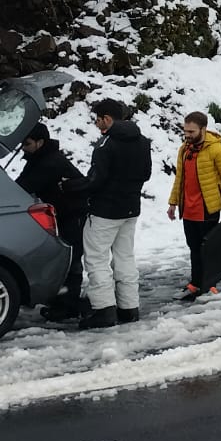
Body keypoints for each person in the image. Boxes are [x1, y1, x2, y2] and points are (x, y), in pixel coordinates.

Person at [67, 98, 152, 328]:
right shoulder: (143, 142)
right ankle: (129, 307)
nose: (96, 124)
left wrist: (70, 186)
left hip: (104, 211)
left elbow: (95, 181)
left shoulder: (106, 144)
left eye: (97, 119)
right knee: (125, 257)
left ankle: (104, 309)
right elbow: (146, 174)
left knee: (96, 259)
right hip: (131, 209)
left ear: (107, 118)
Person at [16, 123, 89, 321]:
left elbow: (23, 187)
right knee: (63, 259)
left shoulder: (50, 162)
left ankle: (68, 305)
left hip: (73, 215)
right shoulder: (38, 158)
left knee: (70, 261)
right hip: (61, 215)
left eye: (27, 143)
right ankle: (63, 302)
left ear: (40, 142)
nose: (23, 147)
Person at [167, 111, 221, 299]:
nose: (187, 135)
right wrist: (173, 203)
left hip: (208, 207)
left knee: (208, 248)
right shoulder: (184, 149)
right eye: (185, 131)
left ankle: (210, 283)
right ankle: (195, 282)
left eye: (191, 131)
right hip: (188, 208)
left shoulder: (217, 150)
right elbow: (180, 179)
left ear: (203, 129)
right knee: (193, 246)